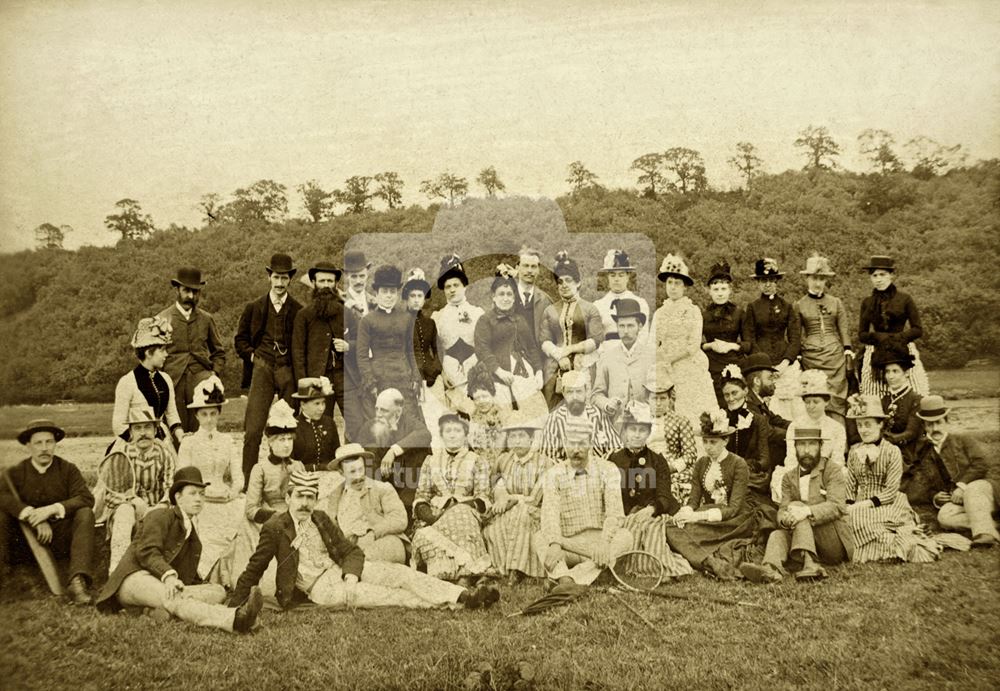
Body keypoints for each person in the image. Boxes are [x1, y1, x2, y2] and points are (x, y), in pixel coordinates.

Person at [229, 470, 499, 611]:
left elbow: (352, 552)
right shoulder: (276, 527)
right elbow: (256, 567)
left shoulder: (320, 518)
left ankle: (464, 595)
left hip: (344, 573)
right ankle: (456, 605)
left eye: (310, 497)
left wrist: (350, 575)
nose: (304, 503)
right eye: (299, 496)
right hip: (321, 588)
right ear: (288, 498)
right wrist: (232, 606)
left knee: (399, 573)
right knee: (391, 597)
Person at [97, 467, 263, 634]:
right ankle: (235, 619)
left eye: (202, 494)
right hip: (133, 578)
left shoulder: (192, 536)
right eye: (192, 493)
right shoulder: (160, 515)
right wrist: (169, 576)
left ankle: (151, 611)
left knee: (217, 592)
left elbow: (187, 578)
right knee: (176, 598)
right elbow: (147, 551)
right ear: (178, 497)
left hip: (158, 585)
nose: (199, 499)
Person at [0, 420, 95, 604]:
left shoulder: (68, 469)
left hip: (59, 539)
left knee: (85, 513)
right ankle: (4, 578)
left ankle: (77, 581)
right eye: (38, 443)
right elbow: (2, 496)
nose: (44, 448)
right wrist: (31, 515)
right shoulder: (16, 473)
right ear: (28, 446)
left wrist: (50, 510)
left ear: (55, 444)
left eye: (49, 442)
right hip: (24, 543)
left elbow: (85, 498)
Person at [741, 427, 852, 584]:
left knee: (797, 506)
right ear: (795, 448)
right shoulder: (789, 477)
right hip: (804, 537)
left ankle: (811, 563)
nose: (806, 450)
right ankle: (771, 569)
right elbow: (782, 508)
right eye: (801, 445)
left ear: (821, 446)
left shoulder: (832, 470)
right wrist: (785, 519)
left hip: (832, 542)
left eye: (812, 444)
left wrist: (805, 511)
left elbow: (837, 506)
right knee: (777, 534)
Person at [844, 394, 941, 562]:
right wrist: (849, 505)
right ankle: (889, 546)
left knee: (861, 520)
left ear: (880, 424)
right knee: (848, 521)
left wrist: (862, 506)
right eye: (859, 425)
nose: (863, 430)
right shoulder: (854, 452)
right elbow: (850, 486)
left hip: (889, 502)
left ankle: (894, 548)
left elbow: (891, 490)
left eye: (868, 424)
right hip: (861, 503)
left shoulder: (892, 451)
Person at [663, 411, 756, 581]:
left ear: (725, 441)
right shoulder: (701, 463)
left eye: (713, 442)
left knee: (686, 533)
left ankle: (705, 558)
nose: (708, 447)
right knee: (672, 527)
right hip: (708, 513)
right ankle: (710, 562)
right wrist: (685, 512)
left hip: (735, 519)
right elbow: (694, 498)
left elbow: (734, 508)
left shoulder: (738, 464)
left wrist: (697, 515)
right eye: (705, 442)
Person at [234, 253, 302, 485]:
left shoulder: (297, 310)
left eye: (284, 278)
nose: (280, 283)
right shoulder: (254, 307)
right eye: (276, 277)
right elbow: (240, 340)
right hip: (262, 366)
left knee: (288, 427)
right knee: (253, 429)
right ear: (269, 277)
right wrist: (254, 358)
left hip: (286, 369)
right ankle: (248, 480)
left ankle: (287, 479)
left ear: (290, 279)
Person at [532, 433, 633, 587]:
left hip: (598, 544)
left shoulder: (608, 469)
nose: (576, 450)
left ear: (590, 444)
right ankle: (574, 576)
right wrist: (555, 543)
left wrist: (604, 543)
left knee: (625, 537)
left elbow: (615, 513)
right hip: (567, 544)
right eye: (571, 444)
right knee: (539, 538)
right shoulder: (553, 473)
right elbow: (549, 514)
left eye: (581, 443)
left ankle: (567, 579)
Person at [226, 399, 306, 593]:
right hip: (269, 521)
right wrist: (275, 518)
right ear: (270, 442)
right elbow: (251, 509)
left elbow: (305, 500)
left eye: (289, 439)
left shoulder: (298, 465)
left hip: (297, 519)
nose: (286, 445)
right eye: (281, 440)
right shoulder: (260, 469)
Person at [607, 402, 694, 578]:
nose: (637, 435)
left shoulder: (657, 461)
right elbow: (612, 495)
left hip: (654, 511)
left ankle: (658, 566)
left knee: (652, 527)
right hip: (624, 514)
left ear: (648, 433)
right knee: (629, 527)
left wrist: (651, 509)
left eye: (642, 430)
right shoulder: (614, 460)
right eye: (633, 430)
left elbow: (665, 495)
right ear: (625, 432)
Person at [905, 396, 1000, 546]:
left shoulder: (962, 440)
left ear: (946, 422)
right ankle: (990, 525)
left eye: (938, 423)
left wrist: (962, 486)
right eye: (930, 424)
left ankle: (985, 535)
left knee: (972, 489)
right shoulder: (924, 452)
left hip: (984, 492)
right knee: (945, 517)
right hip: (962, 502)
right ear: (924, 426)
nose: (935, 429)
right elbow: (925, 483)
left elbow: (982, 463)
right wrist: (935, 497)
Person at [410, 413, 493, 583]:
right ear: (441, 435)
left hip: (467, 513)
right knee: (426, 533)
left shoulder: (477, 461)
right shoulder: (430, 461)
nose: (453, 434)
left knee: (461, 515)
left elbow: (482, 497)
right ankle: (464, 573)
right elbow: (421, 496)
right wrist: (433, 518)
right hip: (435, 517)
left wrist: (455, 510)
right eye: (448, 431)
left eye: (457, 430)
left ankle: (465, 575)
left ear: (465, 434)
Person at [176, 376, 242, 580]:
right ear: (196, 415)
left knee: (243, 512)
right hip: (199, 499)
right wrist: (207, 494)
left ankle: (232, 575)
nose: (209, 419)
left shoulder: (227, 441)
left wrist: (233, 491)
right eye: (204, 414)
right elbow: (182, 479)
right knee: (205, 525)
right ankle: (204, 575)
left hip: (226, 498)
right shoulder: (189, 443)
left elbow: (239, 477)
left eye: (213, 413)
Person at [95, 405, 176, 572]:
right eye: (137, 428)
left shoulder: (164, 454)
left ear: (155, 430)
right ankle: (117, 572)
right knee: (124, 513)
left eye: (147, 427)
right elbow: (110, 495)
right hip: (126, 511)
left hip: (156, 508)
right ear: (131, 432)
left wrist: (161, 505)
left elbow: (171, 487)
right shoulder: (121, 454)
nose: (143, 433)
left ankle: (157, 572)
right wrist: (132, 501)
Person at [292, 261, 360, 444]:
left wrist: (349, 346)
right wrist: (304, 384)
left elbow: (362, 342)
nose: (326, 285)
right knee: (320, 425)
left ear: (336, 285)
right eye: (321, 281)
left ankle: (351, 463)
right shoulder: (304, 315)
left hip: (345, 376)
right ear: (314, 283)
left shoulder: (348, 314)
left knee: (357, 422)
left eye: (330, 281)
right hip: (316, 381)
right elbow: (297, 352)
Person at [651, 254, 717, 431]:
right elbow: (653, 343)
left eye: (678, 283)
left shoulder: (692, 311)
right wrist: (661, 361)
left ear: (685, 287)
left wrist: (670, 358)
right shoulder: (659, 314)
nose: (673, 287)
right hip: (665, 368)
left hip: (688, 366)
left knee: (691, 414)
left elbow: (693, 345)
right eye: (670, 283)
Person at [482, 416, 553, 582]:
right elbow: (496, 485)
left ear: (531, 438)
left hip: (535, 512)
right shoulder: (504, 460)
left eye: (521, 436)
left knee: (521, 514)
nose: (517, 441)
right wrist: (501, 495)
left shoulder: (545, 462)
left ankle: (518, 569)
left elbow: (535, 498)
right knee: (493, 528)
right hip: (508, 509)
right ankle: (501, 569)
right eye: (513, 436)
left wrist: (510, 498)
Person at [156, 267, 226, 433]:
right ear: (177, 290)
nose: (191, 296)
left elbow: (219, 353)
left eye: (195, 292)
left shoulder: (206, 319)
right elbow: (154, 354)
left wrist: (214, 374)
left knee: (202, 430)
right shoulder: (162, 318)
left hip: (201, 381)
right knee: (175, 430)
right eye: (186, 291)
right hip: (173, 382)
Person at [474, 262, 544, 410]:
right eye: (501, 294)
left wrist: (538, 372)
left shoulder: (520, 319)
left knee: (531, 410)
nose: (505, 298)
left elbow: (532, 348)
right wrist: (498, 371)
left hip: (523, 371)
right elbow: (482, 349)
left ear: (513, 298)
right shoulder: (486, 320)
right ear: (493, 296)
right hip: (498, 373)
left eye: (509, 294)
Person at [357, 265, 423, 420]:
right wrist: (370, 382)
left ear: (397, 293)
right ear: (377, 293)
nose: (389, 296)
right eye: (384, 291)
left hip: (403, 376)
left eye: (392, 292)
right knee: (383, 423)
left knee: (409, 420)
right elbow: (362, 356)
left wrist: (415, 376)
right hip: (379, 378)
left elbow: (412, 351)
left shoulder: (407, 318)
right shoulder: (367, 321)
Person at [539, 251, 604, 408]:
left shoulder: (590, 309)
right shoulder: (549, 310)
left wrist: (570, 349)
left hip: (584, 365)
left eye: (569, 280)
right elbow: (544, 340)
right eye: (560, 282)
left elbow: (596, 340)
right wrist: (559, 356)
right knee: (553, 409)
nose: (564, 285)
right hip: (555, 367)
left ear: (578, 283)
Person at [858, 255, 929, 397]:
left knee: (915, 390)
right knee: (872, 391)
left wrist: (899, 337)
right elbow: (862, 334)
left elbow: (918, 329)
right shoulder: (867, 302)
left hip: (902, 347)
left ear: (891, 275)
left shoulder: (905, 299)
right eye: (874, 275)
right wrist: (877, 337)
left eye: (882, 275)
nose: (878, 279)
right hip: (876, 349)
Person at [324, 444, 408, 564]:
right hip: (352, 549)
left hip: (385, 542)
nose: (358, 476)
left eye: (361, 469)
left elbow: (399, 519)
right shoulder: (335, 496)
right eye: (352, 472)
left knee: (360, 564)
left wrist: (373, 533)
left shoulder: (382, 488)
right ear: (341, 472)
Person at [771, 370, 847, 502]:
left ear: (826, 402)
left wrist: (821, 477)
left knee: (843, 476)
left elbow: (837, 461)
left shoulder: (837, 428)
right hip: (800, 472)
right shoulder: (795, 426)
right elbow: (791, 460)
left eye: (816, 402)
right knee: (781, 478)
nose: (811, 406)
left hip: (826, 475)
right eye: (807, 402)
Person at [742, 258, 803, 421]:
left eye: (770, 280)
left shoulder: (787, 306)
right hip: (761, 364)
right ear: (758, 283)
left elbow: (795, 339)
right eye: (763, 280)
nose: (767, 284)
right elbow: (749, 338)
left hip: (785, 365)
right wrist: (764, 365)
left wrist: (785, 363)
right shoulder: (753, 307)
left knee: (791, 405)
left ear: (776, 281)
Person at [795, 254, 853, 422]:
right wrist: (798, 354)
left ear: (826, 280)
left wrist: (847, 349)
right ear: (807, 278)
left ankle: (840, 442)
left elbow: (843, 329)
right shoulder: (799, 304)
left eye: (821, 278)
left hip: (835, 357)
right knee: (815, 394)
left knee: (836, 398)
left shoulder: (835, 302)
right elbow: (797, 333)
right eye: (814, 278)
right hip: (811, 357)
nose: (818, 282)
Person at [111, 316, 183, 448]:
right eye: (162, 350)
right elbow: (118, 424)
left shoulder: (166, 379)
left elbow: (172, 414)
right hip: (133, 443)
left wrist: (180, 435)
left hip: (162, 441)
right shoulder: (127, 382)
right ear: (149, 352)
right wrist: (140, 442)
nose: (166, 354)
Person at [719, 364, 775, 531]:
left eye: (734, 393)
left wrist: (742, 469)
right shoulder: (720, 418)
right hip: (725, 473)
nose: (730, 398)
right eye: (726, 395)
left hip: (752, 476)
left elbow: (764, 460)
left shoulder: (758, 420)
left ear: (745, 391)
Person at [363, 388, 433, 513]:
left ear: (398, 411)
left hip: (407, 481)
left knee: (420, 451)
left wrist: (393, 450)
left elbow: (425, 434)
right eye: (376, 408)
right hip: (383, 480)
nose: (378, 414)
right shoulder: (372, 425)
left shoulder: (409, 421)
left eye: (383, 410)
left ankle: (406, 508)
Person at [432, 253, 485, 413]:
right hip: (450, 370)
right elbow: (434, 350)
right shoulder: (437, 317)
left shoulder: (478, 312)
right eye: (448, 287)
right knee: (454, 415)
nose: (452, 290)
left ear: (464, 286)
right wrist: (442, 372)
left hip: (475, 366)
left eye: (456, 285)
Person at [592, 297, 655, 428]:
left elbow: (661, 394)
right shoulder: (607, 357)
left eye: (630, 326)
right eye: (621, 326)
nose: (625, 331)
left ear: (640, 326)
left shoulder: (651, 357)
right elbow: (596, 395)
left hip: (645, 426)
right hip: (615, 427)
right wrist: (607, 404)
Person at [403, 268, 446, 444]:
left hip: (431, 377)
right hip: (409, 378)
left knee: (436, 418)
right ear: (407, 298)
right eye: (412, 296)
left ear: (424, 298)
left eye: (419, 296)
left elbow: (437, 350)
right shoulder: (400, 321)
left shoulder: (430, 323)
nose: (416, 300)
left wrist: (436, 370)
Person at [540, 370, 621, 463]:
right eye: (570, 392)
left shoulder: (597, 414)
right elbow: (548, 457)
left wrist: (599, 466)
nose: (575, 397)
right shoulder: (554, 419)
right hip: (566, 474)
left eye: (578, 391)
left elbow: (616, 447)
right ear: (563, 392)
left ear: (585, 390)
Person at [643, 368, 698, 505]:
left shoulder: (681, 421)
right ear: (647, 399)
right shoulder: (639, 421)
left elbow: (690, 454)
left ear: (669, 399)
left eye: (663, 398)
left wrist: (669, 468)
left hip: (673, 470)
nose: (659, 403)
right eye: (654, 398)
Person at [701, 261, 749, 404]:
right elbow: (695, 344)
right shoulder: (702, 315)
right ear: (709, 291)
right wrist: (710, 346)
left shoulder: (739, 313)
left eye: (723, 288)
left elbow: (749, 344)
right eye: (716, 289)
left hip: (735, 363)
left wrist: (731, 346)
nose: (720, 293)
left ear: (730, 290)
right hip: (711, 365)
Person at [743, 353, 792, 475]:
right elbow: (768, 431)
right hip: (755, 464)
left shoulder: (758, 401)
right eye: (770, 378)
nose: (773, 382)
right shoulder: (747, 404)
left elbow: (776, 420)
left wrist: (800, 425)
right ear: (757, 381)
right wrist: (794, 433)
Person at [593, 249, 650, 348]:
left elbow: (643, 337)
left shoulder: (640, 303)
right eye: (612, 275)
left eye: (621, 275)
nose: (616, 279)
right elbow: (596, 339)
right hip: (606, 355)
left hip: (632, 355)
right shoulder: (598, 305)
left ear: (628, 276)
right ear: (607, 277)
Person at [512, 246, 553, 369]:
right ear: (517, 268)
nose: (529, 270)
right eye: (525, 266)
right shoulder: (506, 297)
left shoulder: (546, 301)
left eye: (533, 266)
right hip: (511, 362)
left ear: (538, 270)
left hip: (539, 364)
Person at [291, 377, 341, 472]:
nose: (321, 408)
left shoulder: (329, 423)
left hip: (329, 476)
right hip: (302, 478)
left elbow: (336, 455)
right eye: (317, 404)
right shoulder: (293, 426)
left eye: (323, 403)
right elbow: (290, 464)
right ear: (303, 405)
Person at [466, 362, 508, 472]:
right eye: (477, 398)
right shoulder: (473, 417)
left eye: (485, 396)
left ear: (492, 395)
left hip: (500, 464)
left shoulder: (502, 415)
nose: (481, 402)